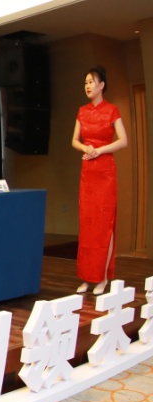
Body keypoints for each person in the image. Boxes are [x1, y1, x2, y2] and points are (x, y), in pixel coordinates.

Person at [71, 66, 128, 295]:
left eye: (91, 82)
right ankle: (87, 277)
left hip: (105, 172)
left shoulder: (112, 110)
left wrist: (100, 150)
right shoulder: (82, 111)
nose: (87, 86)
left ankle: (102, 277)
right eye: (85, 82)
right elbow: (74, 140)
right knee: (88, 225)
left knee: (104, 225)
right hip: (88, 171)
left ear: (102, 85)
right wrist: (86, 148)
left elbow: (123, 140)